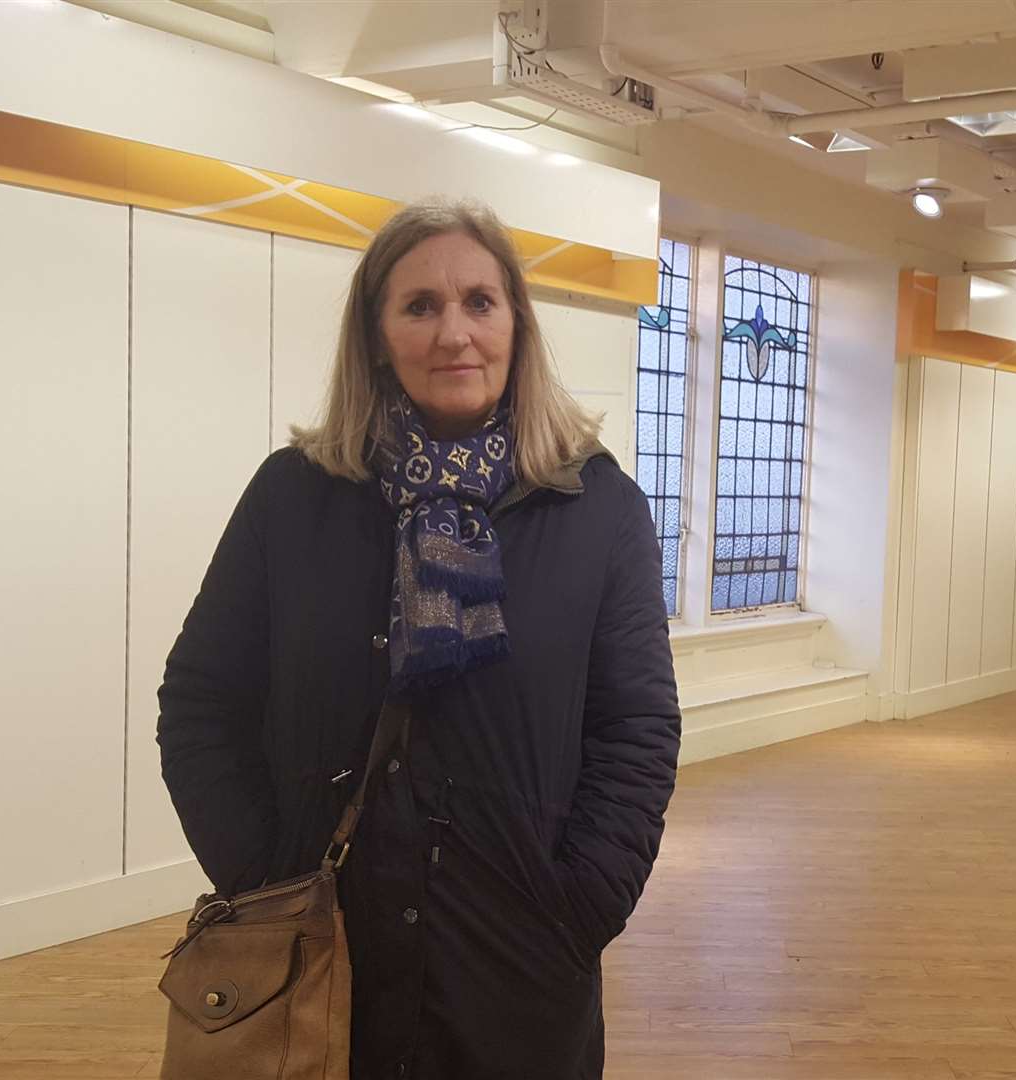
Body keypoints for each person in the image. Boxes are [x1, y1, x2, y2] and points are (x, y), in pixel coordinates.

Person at [157, 198, 681, 1079]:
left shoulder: (597, 509)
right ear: (376, 336)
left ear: (518, 323)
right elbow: (203, 701)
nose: (455, 333)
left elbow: (636, 729)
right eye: (420, 306)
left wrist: (580, 906)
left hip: (519, 955)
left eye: (480, 301)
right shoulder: (295, 497)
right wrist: (261, 878)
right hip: (318, 950)